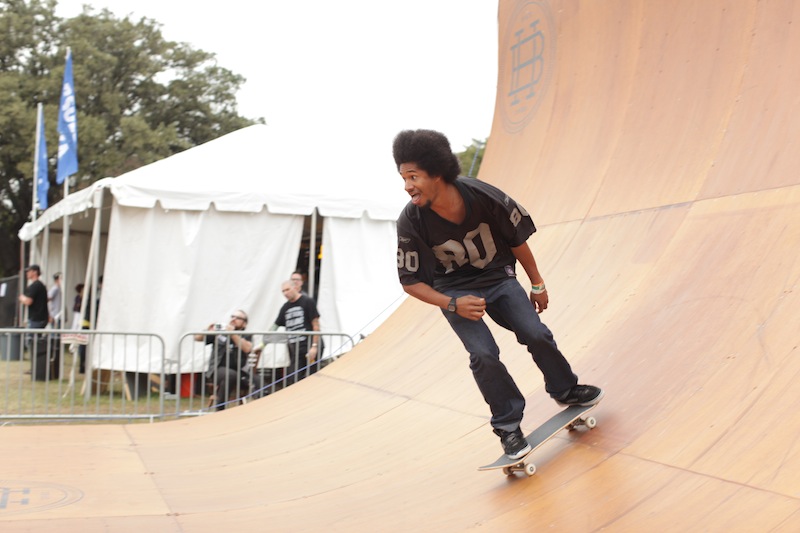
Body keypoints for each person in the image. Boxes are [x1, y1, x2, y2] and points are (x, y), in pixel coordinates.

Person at [392, 129, 603, 460]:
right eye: (403, 178)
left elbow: (517, 240)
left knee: (535, 333)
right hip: (453, 290)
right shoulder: (411, 221)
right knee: (483, 354)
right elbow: (410, 281)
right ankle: (508, 426)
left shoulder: (483, 195)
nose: (407, 186)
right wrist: (452, 303)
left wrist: (537, 282)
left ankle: (565, 388)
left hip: (497, 277)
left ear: (437, 173)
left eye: (413, 176)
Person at [252, 280, 322, 385]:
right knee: (295, 379)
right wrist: (263, 344)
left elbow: (316, 324)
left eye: (287, 289)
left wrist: (314, 346)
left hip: (310, 345)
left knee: (313, 378)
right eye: (283, 291)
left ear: (295, 288)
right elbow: (274, 327)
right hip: (296, 349)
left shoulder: (307, 301)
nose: (285, 293)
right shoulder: (285, 307)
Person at [194, 310, 253, 410]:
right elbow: (197, 338)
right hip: (218, 370)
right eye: (232, 316)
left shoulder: (246, 335)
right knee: (230, 375)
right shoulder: (221, 332)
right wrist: (208, 330)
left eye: (238, 318)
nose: (234, 319)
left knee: (258, 381)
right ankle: (220, 410)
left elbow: (247, 348)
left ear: (244, 323)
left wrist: (232, 333)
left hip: (241, 372)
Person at [18, 264, 49, 329]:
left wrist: (22, 298)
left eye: (29, 271)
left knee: (31, 335)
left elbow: (29, 301)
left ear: (35, 272)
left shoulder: (35, 286)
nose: (27, 273)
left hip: (36, 319)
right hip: (42, 318)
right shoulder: (41, 285)